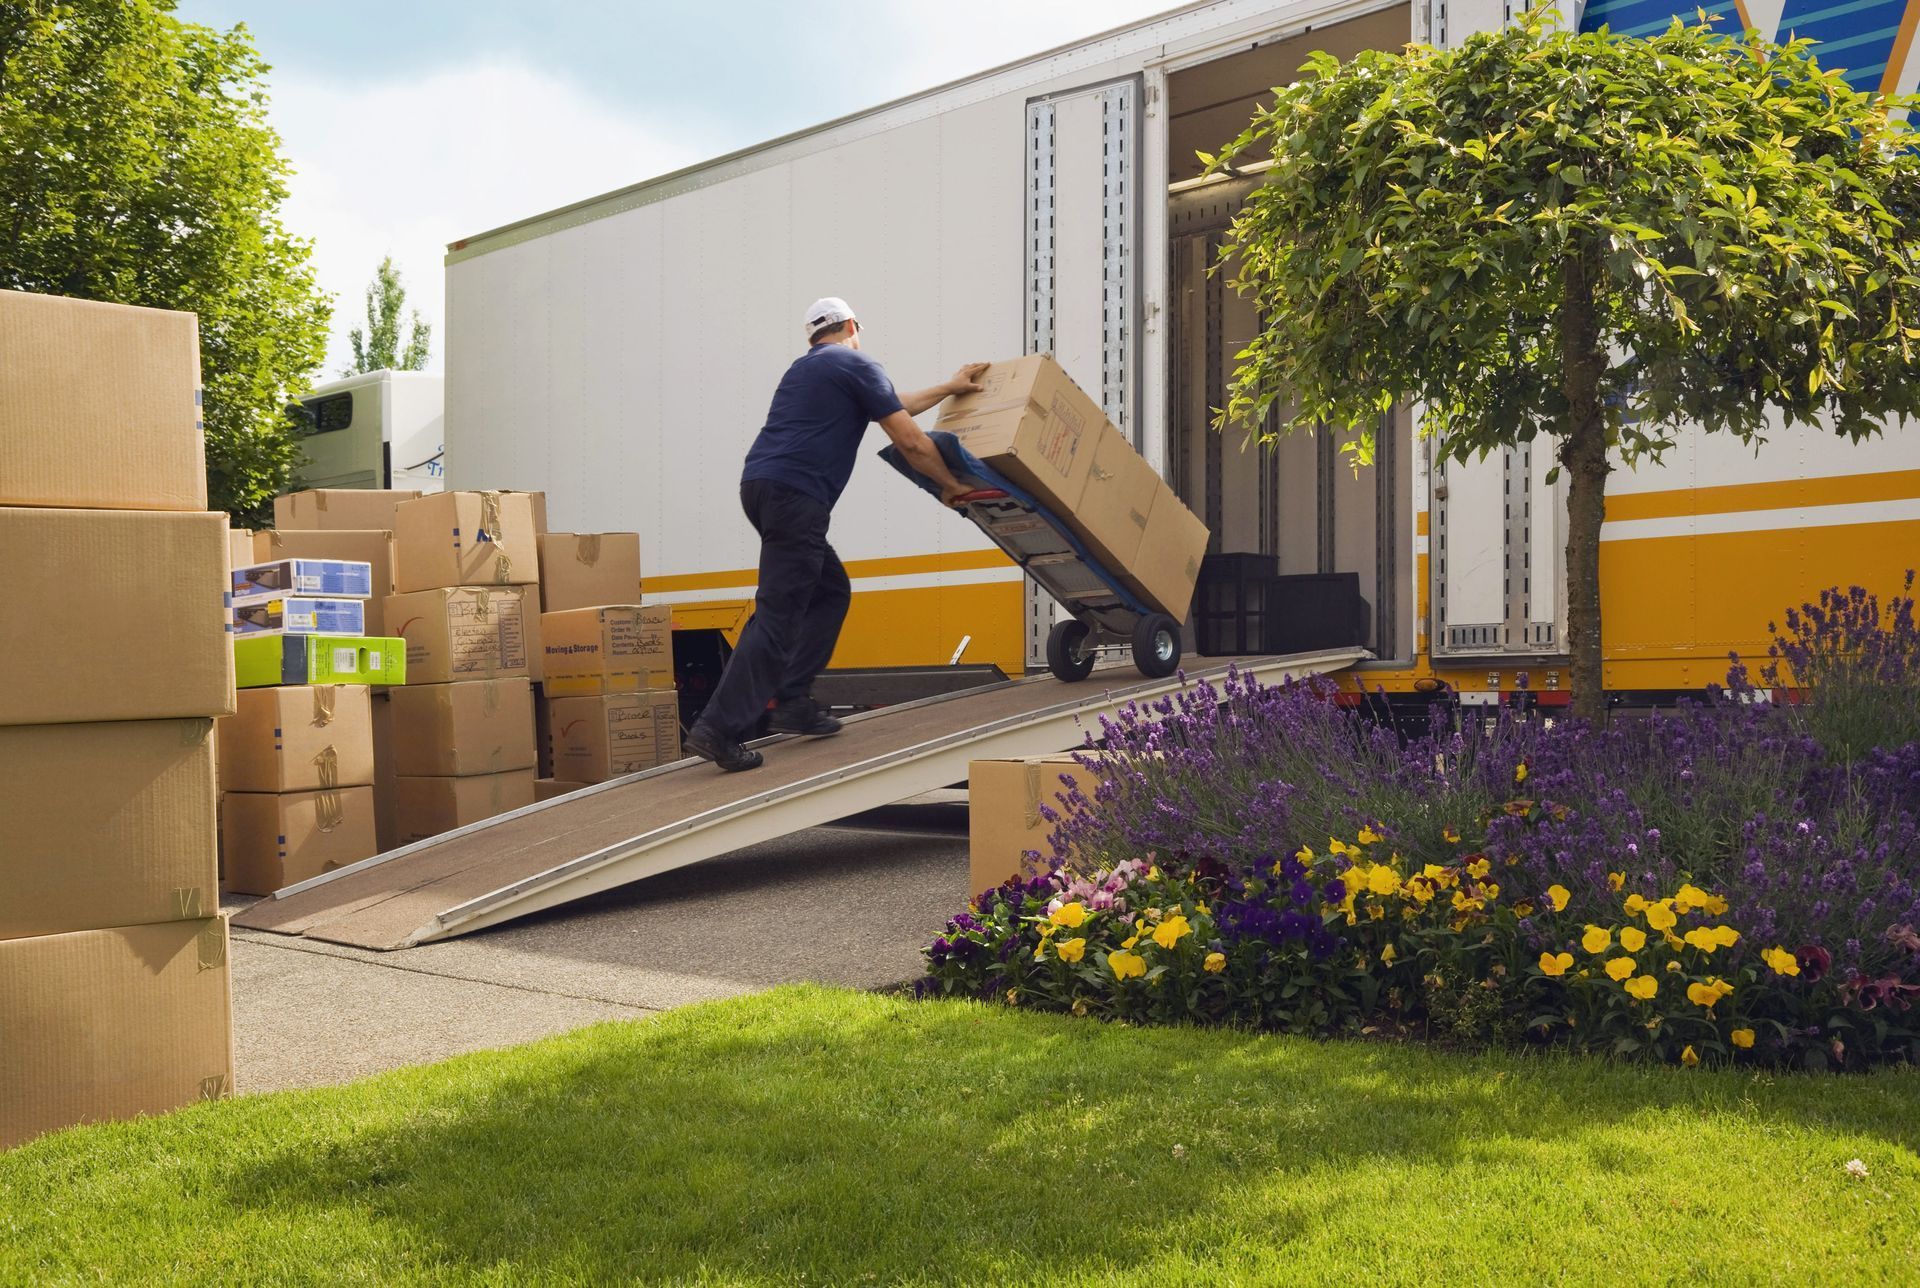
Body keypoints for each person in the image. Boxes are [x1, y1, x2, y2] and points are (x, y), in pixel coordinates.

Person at [684, 297, 987, 772]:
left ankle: (793, 700)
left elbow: (895, 403)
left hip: (762, 488)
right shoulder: (856, 361)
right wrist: (952, 487)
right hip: (797, 496)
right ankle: (718, 728)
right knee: (778, 616)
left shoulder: (810, 369)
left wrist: (949, 386)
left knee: (829, 591)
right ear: (851, 325)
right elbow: (908, 438)